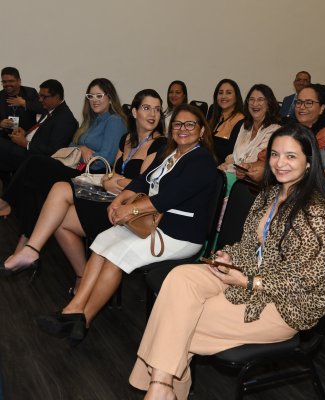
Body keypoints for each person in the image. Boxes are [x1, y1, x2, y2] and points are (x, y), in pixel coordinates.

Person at [129, 123, 325, 400]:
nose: (279, 163)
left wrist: (248, 280)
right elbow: (249, 246)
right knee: (179, 279)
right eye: (274, 154)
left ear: (309, 162)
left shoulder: (314, 212)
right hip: (246, 280)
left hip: (284, 306)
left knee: (177, 320)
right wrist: (229, 256)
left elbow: (304, 281)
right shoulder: (269, 195)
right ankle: (163, 389)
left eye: (290, 156)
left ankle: (160, 389)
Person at [36, 104, 218, 344]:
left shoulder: (202, 160)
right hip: (154, 224)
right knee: (103, 240)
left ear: (202, 130)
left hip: (179, 235)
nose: (182, 129)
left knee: (115, 255)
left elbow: (167, 198)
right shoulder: (171, 154)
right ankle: (75, 309)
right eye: (177, 124)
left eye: (189, 124)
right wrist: (118, 201)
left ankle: (84, 319)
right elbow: (143, 181)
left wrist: (128, 209)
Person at [0, 89, 166, 295]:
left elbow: (143, 185)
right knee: (57, 216)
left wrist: (115, 181)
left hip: (128, 211)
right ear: (134, 112)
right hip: (109, 197)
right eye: (146, 108)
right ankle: (78, 274)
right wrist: (108, 181)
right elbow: (111, 173)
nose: (152, 114)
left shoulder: (160, 143)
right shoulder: (127, 139)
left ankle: (31, 249)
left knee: (56, 187)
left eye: (157, 109)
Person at [0, 78, 127, 248]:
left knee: (35, 162)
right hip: (77, 169)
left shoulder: (114, 121)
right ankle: (25, 243)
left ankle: (7, 202)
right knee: (33, 185)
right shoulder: (91, 119)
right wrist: (82, 148)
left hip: (92, 178)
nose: (94, 100)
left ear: (110, 97)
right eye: (91, 96)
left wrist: (83, 151)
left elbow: (105, 160)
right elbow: (71, 146)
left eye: (99, 96)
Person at [0, 78, 77, 174]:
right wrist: (25, 133)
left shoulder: (65, 119)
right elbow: (40, 133)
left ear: (57, 97)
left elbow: (54, 151)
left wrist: (26, 143)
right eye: (40, 96)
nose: (40, 100)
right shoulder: (49, 109)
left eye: (44, 97)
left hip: (35, 159)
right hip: (29, 150)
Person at [220, 84, 280, 189]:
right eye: (251, 100)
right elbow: (234, 156)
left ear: (269, 103)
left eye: (260, 99)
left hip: (250, 185)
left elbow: (262, 163)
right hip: (231, 175)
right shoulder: (243, 126)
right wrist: (225, 164)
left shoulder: (275, 131)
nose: (255, 104)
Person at [295, 83, 325, 168]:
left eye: (308, 103)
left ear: (322, 108)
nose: (302, 107)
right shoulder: (298, 129)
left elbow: (319, 171)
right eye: (299, 102)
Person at [209, 79, 244, 164]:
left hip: (223, 169)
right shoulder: (214, 117)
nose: (223, 96)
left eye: (228, 93)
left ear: (236, 97)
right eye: (220, 93)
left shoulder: (242, 121)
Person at [0, 67, 43, 134]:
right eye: (4, 82)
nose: (7, 84)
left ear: (19, 81)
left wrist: (24, 103)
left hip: (27, 134)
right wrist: (0, 123)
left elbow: (43, 109)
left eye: (11, 81)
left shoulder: (30, 92)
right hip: (6, 135)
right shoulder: (0, 96)